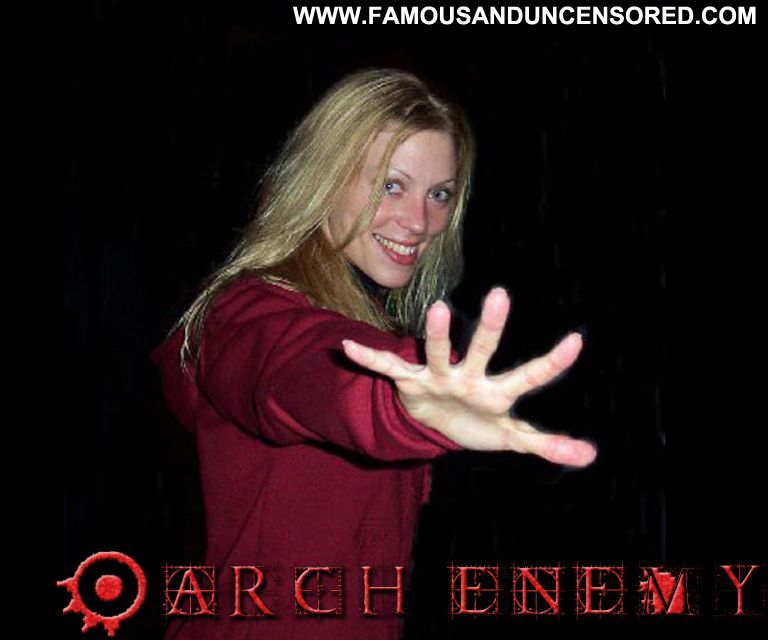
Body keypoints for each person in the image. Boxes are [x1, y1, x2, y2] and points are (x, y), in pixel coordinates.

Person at [151, 67, 596, 640]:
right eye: (391, 185)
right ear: (322, 179)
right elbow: (305, 372)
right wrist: (401, 403)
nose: (419, 221)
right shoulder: (248, 312)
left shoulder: (378, 323)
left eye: (439, 194)